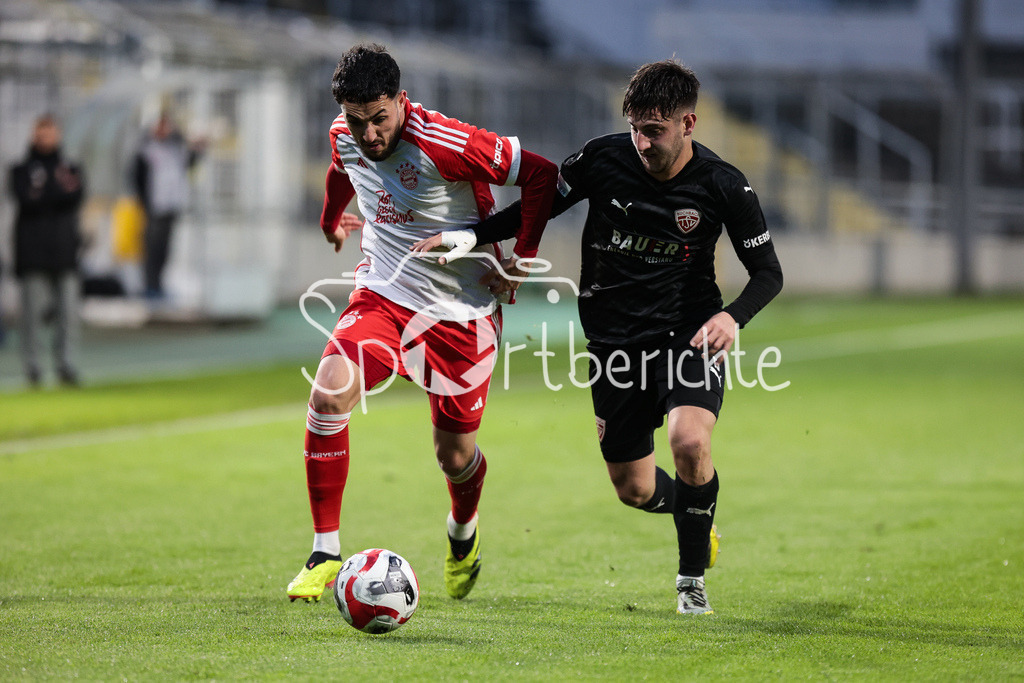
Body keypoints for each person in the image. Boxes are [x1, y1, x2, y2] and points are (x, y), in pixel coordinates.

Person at [416, 60, 783, 615]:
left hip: (687, 334)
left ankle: (690, 585)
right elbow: (538, 207)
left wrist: (734, 317)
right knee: (633, 488)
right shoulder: (601, 158)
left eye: (654, 130)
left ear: (690, 123)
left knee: (689, 442)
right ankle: (696, 514)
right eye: (635, 126)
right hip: (612, 344)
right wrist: (467, 235)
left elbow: (769, 273)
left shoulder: (724, 185)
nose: (641, 141)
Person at [286, 43, 558, 603]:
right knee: (328, 397)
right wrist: (331, 218)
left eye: (379, 119)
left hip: (464, 315)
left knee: (454, 456)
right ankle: (324, 552)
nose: (368, 135)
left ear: (400, 102)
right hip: (386, 294)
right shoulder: (344, 133)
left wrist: (522, 260)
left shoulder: (445, 142)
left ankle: (463, 534)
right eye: (357, 121)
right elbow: (343, 169)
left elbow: (542, 176)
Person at [9, 114, 86, 387]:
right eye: (42, 134)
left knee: (67, 313)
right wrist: (54, 195)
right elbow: (25, 199)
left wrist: (43, 194)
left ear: (59, 135)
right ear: (34, 136)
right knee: (31, 315)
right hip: (32, 252)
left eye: (51, 133)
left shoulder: (71, 168)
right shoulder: (21, 169)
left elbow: (74, 196)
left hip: (65, 251)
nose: (47, 139)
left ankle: (65, 364)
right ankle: (33, 367)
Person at [132, 112, 203, 299]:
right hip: (153, 208)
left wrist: (199, 147)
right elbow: (137, 178)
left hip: (171, 206)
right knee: (151, 249)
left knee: (164, 249)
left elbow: (191, 162)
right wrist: (143, 202)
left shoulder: (176, 149)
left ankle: (159, 285)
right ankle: (149, 286)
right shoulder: (146, 150)